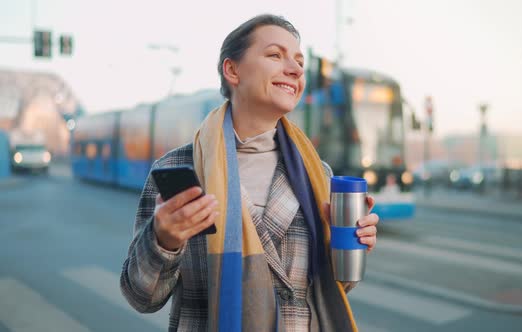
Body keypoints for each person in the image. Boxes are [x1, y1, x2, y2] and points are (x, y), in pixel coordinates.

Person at [120, 14, 379, 332]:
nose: (296, 69)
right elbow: (141, 297)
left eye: (298, 61)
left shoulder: (319, 175)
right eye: (275, 55)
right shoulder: (178, 169)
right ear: (232, 70)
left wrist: (351, 243)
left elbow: (338, 286)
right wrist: (165, 240)